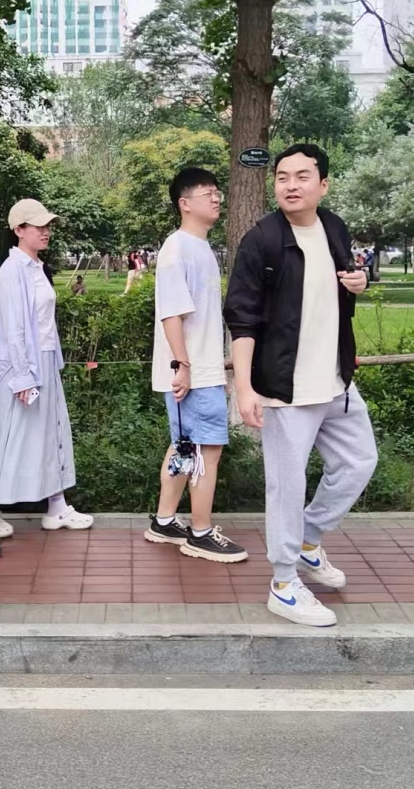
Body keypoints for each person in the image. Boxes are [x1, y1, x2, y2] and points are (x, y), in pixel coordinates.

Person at [224, 143, 376, 627]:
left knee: (359, 462)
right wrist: (244, 388)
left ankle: (308, 540)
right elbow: (242, 318)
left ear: (323, 184)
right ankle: (284, 583)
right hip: (284, 388)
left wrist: (359, 283)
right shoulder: (262, 240)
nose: (290, 185)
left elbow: (341, 286)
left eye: (302, 176)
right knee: (286, 488)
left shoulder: (334, 227)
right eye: (282, 177)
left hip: (335, 381)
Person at [0, 198, 93, 537]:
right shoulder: (12, 271)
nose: (45, 231)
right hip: (19, 370)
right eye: (38, 226)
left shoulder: (37, 267)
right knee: (12, 437)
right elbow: (13, 329)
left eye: (47, 225)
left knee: (50, 432)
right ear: (19, 230)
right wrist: (22, 377)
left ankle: (57, 506)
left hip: (44, 361)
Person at [145, 168, 247, 563]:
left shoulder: (198, 246)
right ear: (184, 203)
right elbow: (171, 313)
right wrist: (183, 365)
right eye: (208, 193)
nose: (217, 198)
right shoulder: (178, 249)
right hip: (193, 372)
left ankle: (164, 521)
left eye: (217, 192)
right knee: (208, 448)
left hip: (198, 368)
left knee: (185, 445)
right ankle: (200, 533)